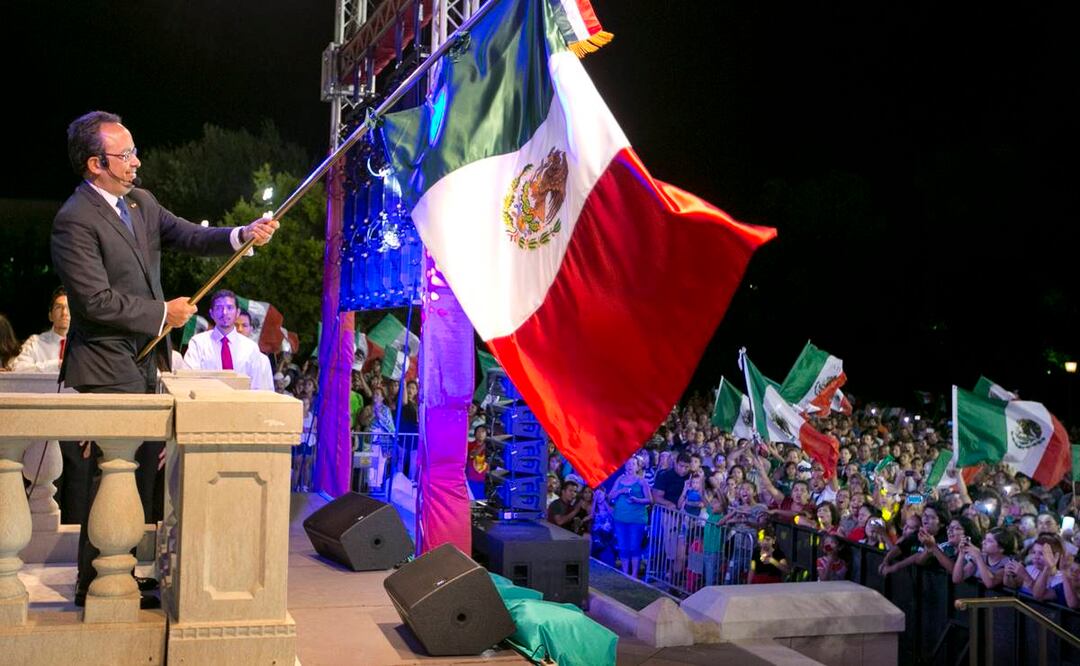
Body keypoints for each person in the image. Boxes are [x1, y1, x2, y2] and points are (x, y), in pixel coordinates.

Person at [50, 111, 278, 608]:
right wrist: (162, 313)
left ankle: (124, 570)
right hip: (106, 368)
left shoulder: (141, 202)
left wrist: (242, 233)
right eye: (124, 154)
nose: (135, 161)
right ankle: (95, 581)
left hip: (147, 363)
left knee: (139, 477)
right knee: (109, 475)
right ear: (95, 163)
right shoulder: (74, 220)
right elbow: (94, 302)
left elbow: (190, 237)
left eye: (134, 150)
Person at [183, 290, 274, 390]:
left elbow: (257, 388)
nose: (224, 312)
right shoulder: (198, 343)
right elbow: (188, 381)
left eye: (230, 308)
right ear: (211, 313)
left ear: (237, 313)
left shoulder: (251, 348)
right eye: (219, 308)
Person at [609, 457, 652, 577]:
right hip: (620, 519)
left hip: (636, 520)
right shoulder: (619, 479)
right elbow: (610, 496)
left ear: (638, 467)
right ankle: (624, 573)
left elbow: (650, 500)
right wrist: (620, 491)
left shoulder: (642, 481)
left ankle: (633, 575)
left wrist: (637, 500)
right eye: (628, 463)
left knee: (634, 546)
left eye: (633, 464)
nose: (630, 466)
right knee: (623, 546)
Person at [12, 287, 69, 372]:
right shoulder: (35, 342)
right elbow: (17, 368)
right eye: (58, 307)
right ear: (50, 316)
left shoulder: (85, 345)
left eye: (69, 307)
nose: (64, 313)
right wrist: (56, 365)